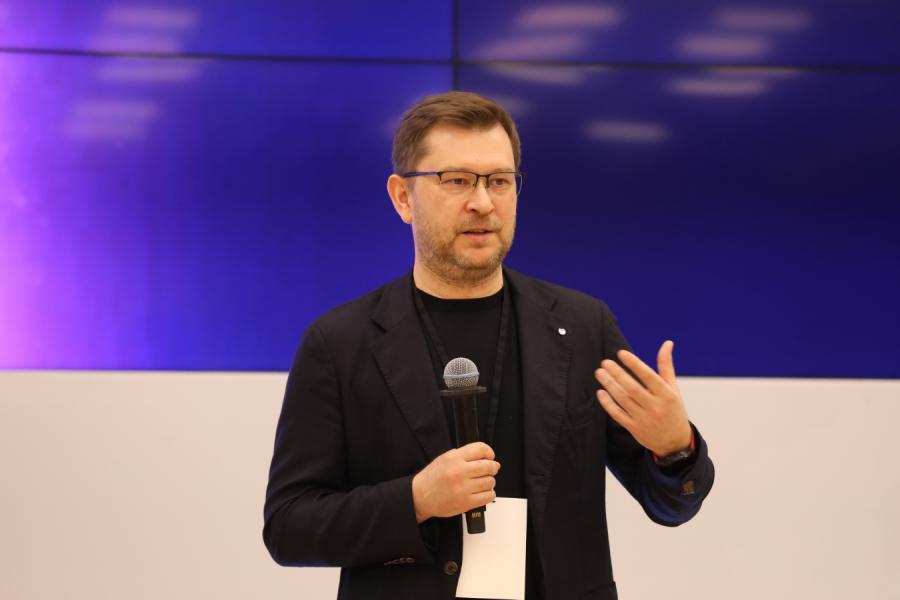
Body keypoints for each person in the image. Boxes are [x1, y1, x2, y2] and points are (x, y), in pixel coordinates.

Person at [263, 91, 714, 600]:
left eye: (499, 180)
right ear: (403, 197)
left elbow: (671, 505)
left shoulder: (583, 326)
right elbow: (289, 526)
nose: (482, 202)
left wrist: (674, 449)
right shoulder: (340, 343)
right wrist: (415, 499)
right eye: (456, 180)